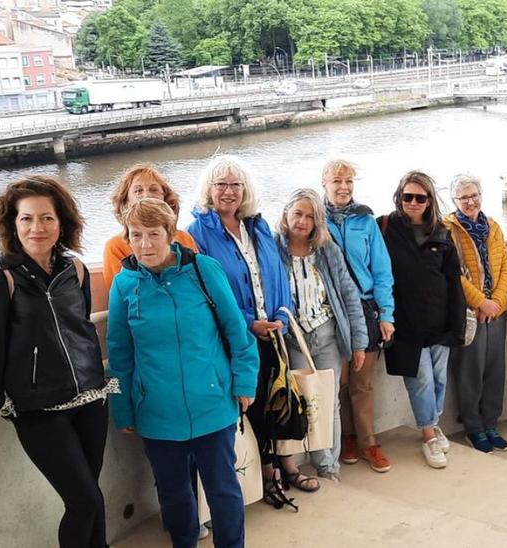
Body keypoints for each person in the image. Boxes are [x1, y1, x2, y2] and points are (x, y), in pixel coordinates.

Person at [0, 175, 114, 548]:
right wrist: (9, 404)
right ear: (12, 225)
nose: (38, 228)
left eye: (47, 218)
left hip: (90, 401)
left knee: (93, 496)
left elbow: (79, 328)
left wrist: (95, 381)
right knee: (82, 500)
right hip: (39, 411)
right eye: (27, 219)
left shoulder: (75, 270)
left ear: (61, 222)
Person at [108, 198, 258, 548]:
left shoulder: (205, 270)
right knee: (174, 495)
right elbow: (118, 356)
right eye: (136, 235)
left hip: (213, 403)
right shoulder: (123, 285)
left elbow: (237, 331)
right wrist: (122, 408)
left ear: (171, 235)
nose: (145, 244)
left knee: (223, 489)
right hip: (157, 412)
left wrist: (244, 381)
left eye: (153, 234)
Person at [185, 155, 297, 497]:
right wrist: (249, 324)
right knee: (251, 405)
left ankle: (282, 467)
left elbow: (278, 275)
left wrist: (283, 311)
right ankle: (265, 474)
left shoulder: (258, 227)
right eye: (221, 184)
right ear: (209, 189)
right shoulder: (197, 234)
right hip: (236, 338)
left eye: (235, 184)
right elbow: (207, 293)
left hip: (272, 332)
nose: (229, 192)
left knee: (275, 401)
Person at [275, 188, 369, 481]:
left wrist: (359, 343)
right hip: (294, 338)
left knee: (329, 403)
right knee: (304, 402)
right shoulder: (272, 248)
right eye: (297, 214)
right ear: (286, 215)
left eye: (310, 216)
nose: (302, 221)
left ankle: (330, 468)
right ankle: (314, 462)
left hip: (326, 333)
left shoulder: (327, 251)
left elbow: (349, 295)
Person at [378, 171, 466, 469]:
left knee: (440, 379)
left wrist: (457, 324)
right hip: (404, 325)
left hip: (439, 322)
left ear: (429, 201)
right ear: (399, 197)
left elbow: (453, 280)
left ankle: (432, 422)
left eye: (420, 197)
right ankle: (429, 435)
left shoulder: (442, 232)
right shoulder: (385, 228)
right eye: (408, 197)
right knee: (422, 381)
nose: (413, 203)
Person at [322, 159, 395, 473]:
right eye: (337, 181)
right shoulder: (315, 218)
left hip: (365, 309)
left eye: (349, 181)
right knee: (339, 380)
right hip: (332, 312)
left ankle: (368, 442)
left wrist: (386, 313)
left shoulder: (365, 220)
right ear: (324, 183)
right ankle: (347, 438)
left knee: (362, 383)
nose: (343, 187)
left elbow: (381, 271)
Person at [443, 174, 507, 453]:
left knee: (495, 368)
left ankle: (491, 422)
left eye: (474, 195)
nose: (470, 201)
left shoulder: (493, 227)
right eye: (464, 197)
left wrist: (496, 301)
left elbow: (506, 267)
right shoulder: (448, 229)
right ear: (454, 201)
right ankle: (474, 427)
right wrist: (480, 302)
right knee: (470, 369)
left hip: (497, 310)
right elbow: (453, 273)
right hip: (469, 311)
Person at [101, 163, 199, 290]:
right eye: (138, 190)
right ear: (125, 201)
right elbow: (123, 293)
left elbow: (199, 281)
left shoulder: (184, 238)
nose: (146, 195)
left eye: (154, 190)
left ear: (166, 198)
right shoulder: (116, 247)